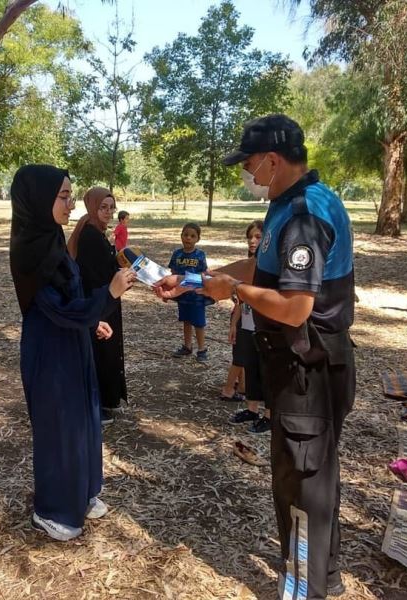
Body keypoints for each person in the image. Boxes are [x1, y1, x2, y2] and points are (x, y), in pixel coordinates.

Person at [156, 114, 355, 600]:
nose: (246, 173)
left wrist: (234, 291)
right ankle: (321, 575)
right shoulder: (288, 204)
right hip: (303, 365)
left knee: (301, 487)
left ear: (272, 159)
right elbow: (264, 265)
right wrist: (198, 281)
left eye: (248, 163)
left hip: (306, 369)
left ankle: (304, 589)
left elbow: (294, 306)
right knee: (312, 476)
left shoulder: (305, 213)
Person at [9, 164, 135, 542]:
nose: (69, 204)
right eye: (63, 197)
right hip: (50, 353)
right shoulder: (32, 252)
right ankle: (53, 510)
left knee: (84, 421)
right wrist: (109, 294)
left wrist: (92, 319)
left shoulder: (54, 241)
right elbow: (57, 308)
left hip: (73, 342)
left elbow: (70, 298)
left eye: (69, 195)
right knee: (60, 429)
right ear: (39, 200)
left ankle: (82, 493)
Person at [68, 187, 128, 426]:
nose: (109, 212)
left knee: (104, 351)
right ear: (92, 207)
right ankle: (94, 403)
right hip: (98, 303)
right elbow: (93, 273)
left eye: (112, 208)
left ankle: (103, 401)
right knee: (97, 353)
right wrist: (117, 275)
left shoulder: (96, 231)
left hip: (105, 299)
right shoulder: (90, 234)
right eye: (103, 207)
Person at [226, 220, 271, 435]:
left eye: (258, 237)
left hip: (266, 327)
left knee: (267, 369)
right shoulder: (247, 265)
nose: (252, 241)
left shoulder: (270, 268)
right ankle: (251, 409)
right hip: (247, 322)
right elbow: (239, 301)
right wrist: (235, 324)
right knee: (250, 366)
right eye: (250, 237)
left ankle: (269, 415)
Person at [169, 222, 209, 362]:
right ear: (181, 236)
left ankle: (202, 349)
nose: (188, 238)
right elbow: (173, 273)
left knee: (198, 323)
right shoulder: (177, 254)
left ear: (198, 238)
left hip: (196, 295)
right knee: (186, 320)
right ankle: (187, 346)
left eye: (192, 236)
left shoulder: (200, 255)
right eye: (185, 235)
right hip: (182, 295)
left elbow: (204, 274)